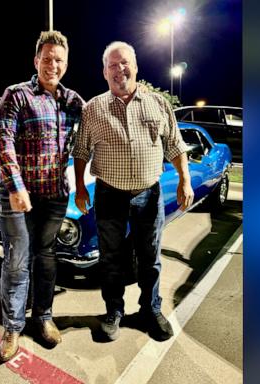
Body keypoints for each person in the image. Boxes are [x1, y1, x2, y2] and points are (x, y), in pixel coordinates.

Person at [73, 41, 194, 341]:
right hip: (108, 194)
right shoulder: (93, 109)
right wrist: (79, 188)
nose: (119, 69)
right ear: (104, 72)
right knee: (110, 257)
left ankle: (150, 309)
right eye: (112, 65)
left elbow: (176, 146)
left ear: (136, 67)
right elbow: (80, 151)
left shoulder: (159, 104)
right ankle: (114, 310)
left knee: (150, 256)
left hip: (148, 194)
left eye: (124, 62)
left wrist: (185, 179)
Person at [0, 30, 85, 361]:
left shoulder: (74, 102)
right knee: (17, 261)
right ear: (36, 61)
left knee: (45, 258)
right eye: (47, 58)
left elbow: (91, 138)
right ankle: (12, 329)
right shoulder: (17, 95)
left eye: (59, 60)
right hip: (17, 196)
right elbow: (3, 141)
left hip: (53, 196)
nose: (53, 64)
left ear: (66, 64)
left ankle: (43, 317)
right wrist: (16, 186)